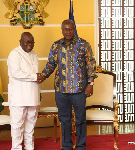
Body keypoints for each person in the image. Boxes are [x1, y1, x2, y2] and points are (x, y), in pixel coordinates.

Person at [39, 19, 97, 150]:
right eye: (65, 29)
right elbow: (50, 65)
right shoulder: (56, 46)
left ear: (74, 29)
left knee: (80, 119)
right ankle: (66, 146)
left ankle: (81, 146)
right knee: (64, 120)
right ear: (62, 30)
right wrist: (42, 76)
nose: (68, 31)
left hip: (79, 90)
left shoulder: (83, 44)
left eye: (70, 29)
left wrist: (90, 84)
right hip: (61, 90)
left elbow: (90, 65)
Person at [7, 32, 42, 150]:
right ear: (20, 42)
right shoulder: (14, 54)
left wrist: (39, 92)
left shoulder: (35, 54)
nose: (30, 45)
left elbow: (36, 74)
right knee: (17, 125)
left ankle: (29, 147)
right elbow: (16, 73)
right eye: (27, 42)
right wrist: (35, 77)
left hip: (33, 95)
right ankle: (16, 148)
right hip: (19, 96)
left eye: (32, 42)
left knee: (31, 124)